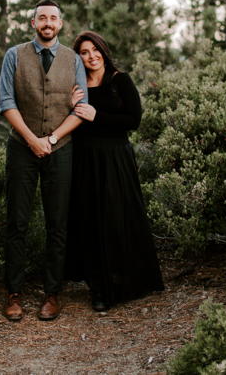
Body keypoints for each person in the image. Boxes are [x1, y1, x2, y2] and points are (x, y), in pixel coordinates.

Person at [0, 0, 88, 322]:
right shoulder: (14, 55)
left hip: (60, 149)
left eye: (53, 18)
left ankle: (52, 293)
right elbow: (6, 101)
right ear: (33, 23)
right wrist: (31, 140)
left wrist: (49, 139)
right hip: (21, 147)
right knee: (17, 222)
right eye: (42, 18)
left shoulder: (73, 60)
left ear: (60, 24)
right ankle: (14, 293)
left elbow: (81, 109)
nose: (47, 22)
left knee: (57, 224)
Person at [65, 31, 164, 311]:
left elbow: (133, 120)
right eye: (84, 52)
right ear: (79, 57)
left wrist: (97, 115)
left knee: (115, 218)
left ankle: (123, 281)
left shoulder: (120, 80)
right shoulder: (78, 84)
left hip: (115, 157)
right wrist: (73, 108)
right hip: (84, 157)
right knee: (89, 220)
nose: (91, 56)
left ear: (103, 51)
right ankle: (98, 287)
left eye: (95, 50)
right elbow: (72, 119)